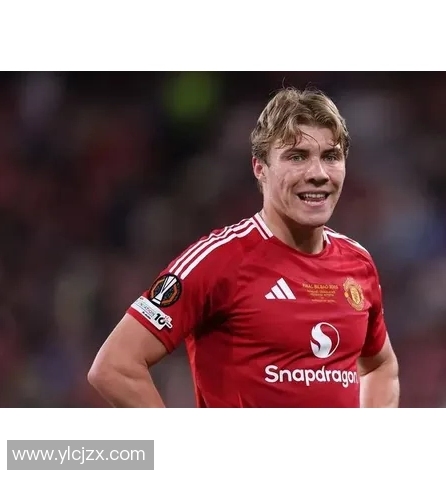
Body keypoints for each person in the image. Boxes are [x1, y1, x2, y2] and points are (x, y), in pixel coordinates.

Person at [88, 87, 400, 407]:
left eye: (330, 157)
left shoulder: (358, 263)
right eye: (297, 156)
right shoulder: (217, 259)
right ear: (260, 168)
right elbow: (115, 367)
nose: (318, 174)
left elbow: (380, 366)